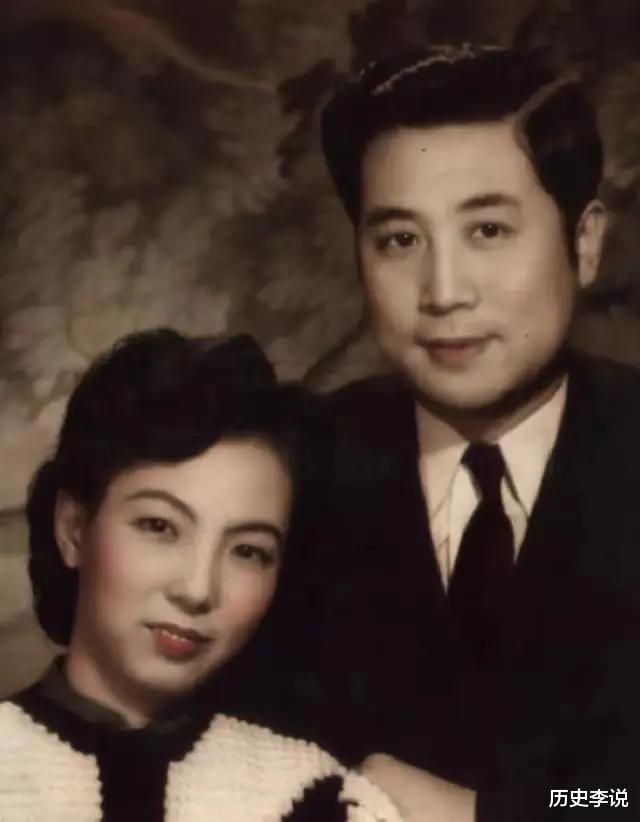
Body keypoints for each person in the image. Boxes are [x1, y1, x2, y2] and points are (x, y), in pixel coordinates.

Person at [311, 42, 640, 820]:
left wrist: (492, 816)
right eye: (400, 240)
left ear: (585, 242)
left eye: (488, 230)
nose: (444, 292)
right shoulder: (291, 469)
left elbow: (619, 797)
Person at [0, 329, 401, 821]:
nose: (197, 590)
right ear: (74, 529)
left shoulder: (312, 795)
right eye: (160, 527)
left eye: (248, 551)